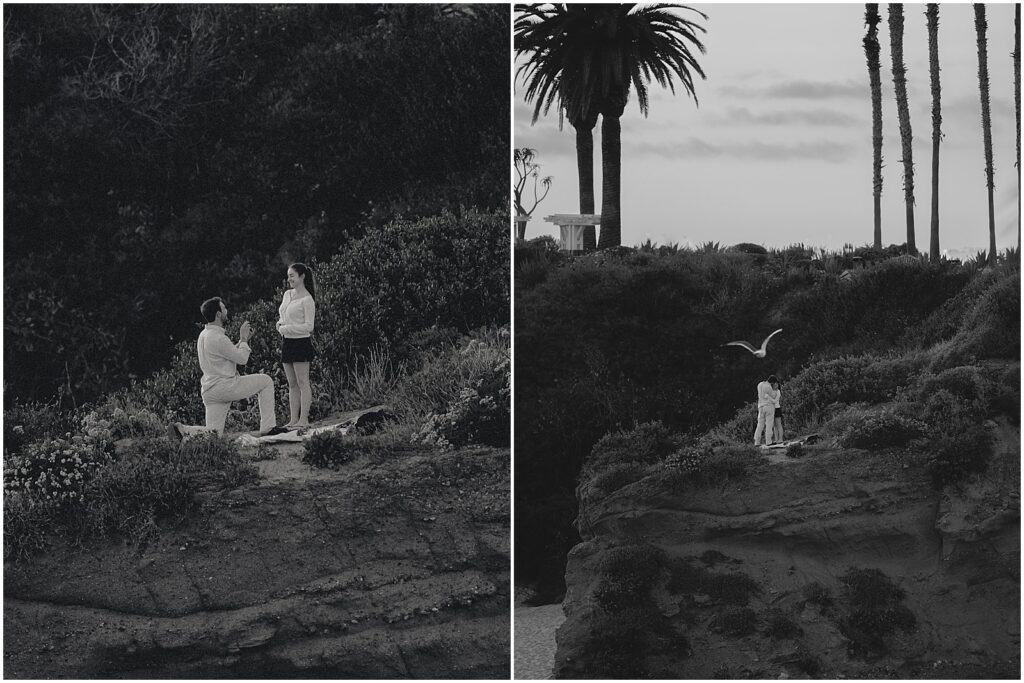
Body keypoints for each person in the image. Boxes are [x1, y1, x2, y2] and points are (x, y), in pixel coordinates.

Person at [168, 297, 281, 440]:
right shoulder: (219, 338)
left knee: (213, 435)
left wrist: (242, 342)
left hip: (210, 390)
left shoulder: (203, 335)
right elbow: (242, 359)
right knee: (266, 381)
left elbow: (226, 354)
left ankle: (183, 430)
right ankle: (268, 428)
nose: (227, 311)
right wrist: (244, 340)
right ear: (218, 314)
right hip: (225, 387)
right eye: (224, 308)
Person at [277, 263, 317, 428]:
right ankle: (293, 419)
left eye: (292, 275)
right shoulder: (287, 295)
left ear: (302, 277)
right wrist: (279, 324)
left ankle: (304, 420)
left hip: (301, 342)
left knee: (302, 382)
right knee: (292, 384)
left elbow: (309, 327)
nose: (289, 279)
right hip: (287, 342)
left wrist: (286, 328)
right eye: (288, 276)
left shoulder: (308, 300)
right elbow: (283, 315)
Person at [753, 374, 780, 448]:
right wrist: (775, 389)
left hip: (760, 406)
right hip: (768, 406)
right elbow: (773, 396)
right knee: (769, 424)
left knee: (760, 424)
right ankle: (768, 441)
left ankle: (757, 441)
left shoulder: (760, 384)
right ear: (773, 382)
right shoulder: (769, 387)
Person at [771, 379, 784, 444]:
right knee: (774, 426)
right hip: (772, 409)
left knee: (779, 424)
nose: (776, 385)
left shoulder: (778, 391)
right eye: (774, 384)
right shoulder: (771, 391)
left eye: (777, 384)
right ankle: (776, 439)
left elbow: (775, 400)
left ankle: (780, 439)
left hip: (777, 409)